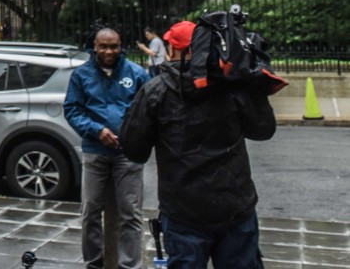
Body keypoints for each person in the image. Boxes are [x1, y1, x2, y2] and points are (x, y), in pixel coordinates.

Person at [120, 20, 276, 269]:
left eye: (173, 45)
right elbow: (263, 130)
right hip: (235, 207)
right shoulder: (233, 86)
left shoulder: (155, 92)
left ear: (183, 51)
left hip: (183, 213)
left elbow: (134, 149)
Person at [63, 28, 149, 269]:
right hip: (95, 151)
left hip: (128, 154)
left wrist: (135, 136)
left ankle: (129, 265)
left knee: (130, 213)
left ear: (121, 46)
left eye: (114, 46)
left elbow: (149, 108)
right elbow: (72, 109)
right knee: (90, 211)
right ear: (95, 47)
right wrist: (97, 130)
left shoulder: (137, 73)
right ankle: (93, 262)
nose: (109, 51)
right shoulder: (82, 75)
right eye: (104, 46)